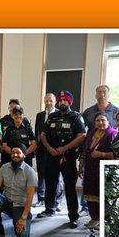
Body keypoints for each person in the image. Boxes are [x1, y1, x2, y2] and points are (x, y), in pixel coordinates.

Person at [39, 91, 87, 222]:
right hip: (52, 156)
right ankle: (49, 209)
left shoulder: (76, 117)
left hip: (68, 157)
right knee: (50, 183)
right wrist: (49, 148)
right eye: (60, 101)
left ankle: (73, 216)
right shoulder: (52, 116)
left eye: (64, 100)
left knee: (70, 187)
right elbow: (43, 134)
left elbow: (81, 136)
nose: (62, 103)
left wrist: (64, 148)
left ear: (69, 102)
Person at [0, 144, 36, 237]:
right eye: (13, 153)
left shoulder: (30, 172)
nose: (15, 155)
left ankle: (18, 219)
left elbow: (30, 197)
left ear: (24, 155)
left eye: (18, 153)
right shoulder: (4, 168)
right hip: (7, 202)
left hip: (20, 206)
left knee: (23, 236)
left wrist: (23, 218)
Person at [80, 112, 116, 230]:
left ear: (108, 122)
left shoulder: (113, 134)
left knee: (101, 193)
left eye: (103, 120)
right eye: (98, 121)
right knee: (90, 192)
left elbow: (116, 155)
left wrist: (101, 154)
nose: (100, 123)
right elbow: (85, 150)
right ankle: (94, 218)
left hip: (104, 168)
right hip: (90, 167)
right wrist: (81, 165)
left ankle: (103, 220)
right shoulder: (91, 133)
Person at [34, 93, 62, 211]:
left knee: (56, 177)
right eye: (46, 101)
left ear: (55, 102)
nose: (48, 103)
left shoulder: (59, 114)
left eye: (51, 101)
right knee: (41, 175)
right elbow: (37, 132)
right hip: (41, 151)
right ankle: (41, 198)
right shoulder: (39, 115)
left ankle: (57, 200)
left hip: (54, 151)